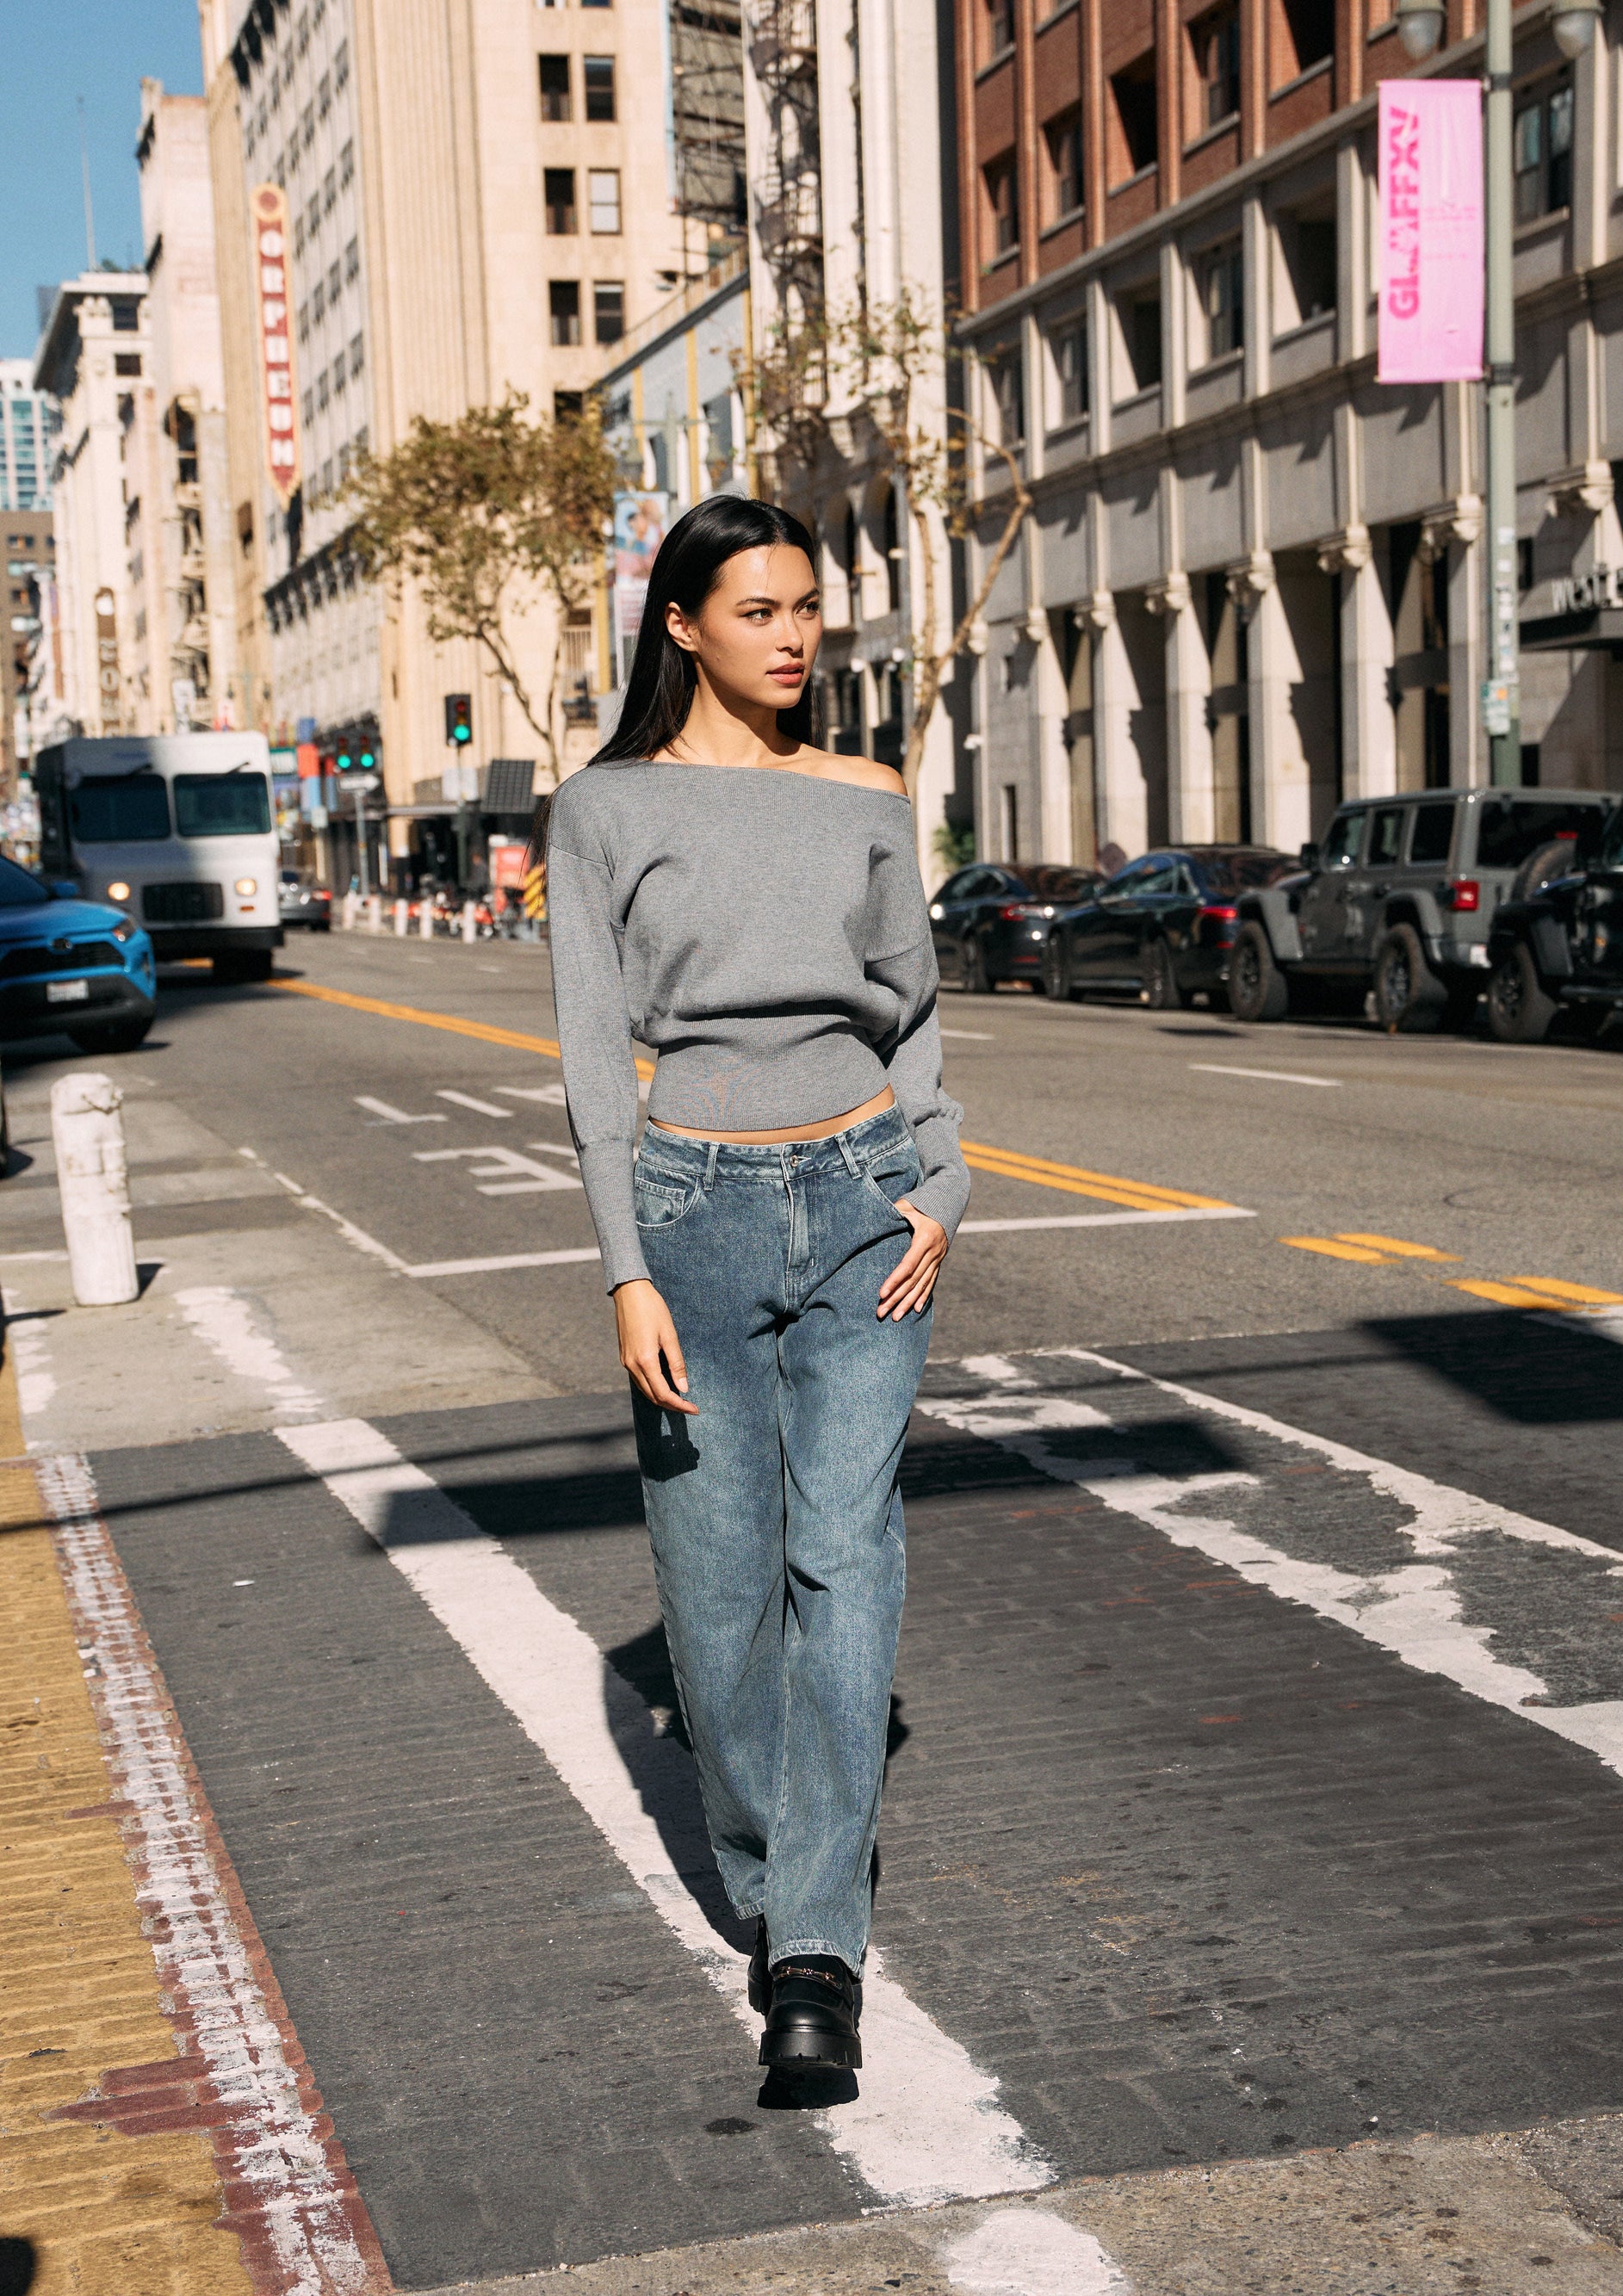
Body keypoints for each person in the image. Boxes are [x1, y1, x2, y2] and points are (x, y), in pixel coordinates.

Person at [543, 496, 968, 2076]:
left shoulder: (868, 793)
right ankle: (768, 1871)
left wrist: (940, 1181)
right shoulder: (603, 810)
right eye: (759, 611)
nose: (796, 638)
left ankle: (815, 1953)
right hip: (693, 1218)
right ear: (683, 623)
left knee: (847, 1559)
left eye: (807, 608)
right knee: (718, 1601)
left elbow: (913, 1015)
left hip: (864, 1202)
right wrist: (624, 1271)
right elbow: (595, 1060)